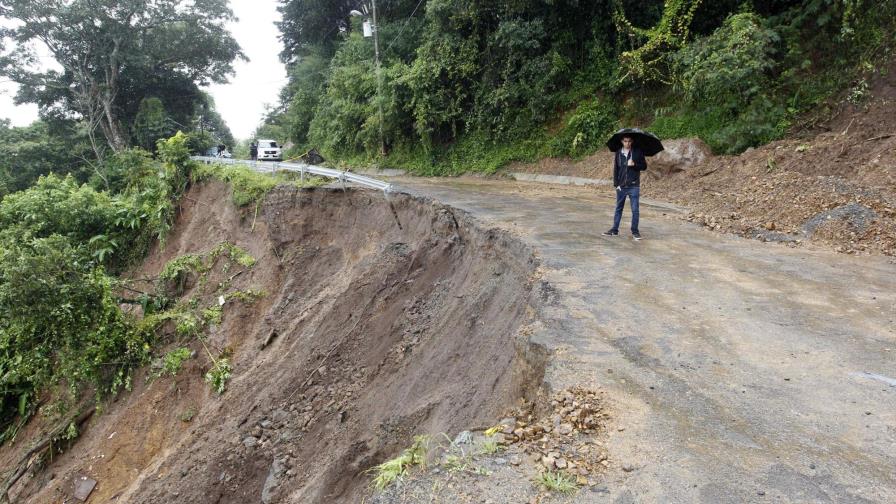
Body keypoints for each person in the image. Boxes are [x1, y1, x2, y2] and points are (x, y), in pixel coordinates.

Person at [603, 135, 647, 240]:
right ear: (622, 141)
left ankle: (635, 232)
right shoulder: (618, 153)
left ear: (632, 142)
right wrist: (616, 184)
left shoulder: (637, 152)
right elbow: (616, 169)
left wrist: (634, 164)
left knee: (635, 210)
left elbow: (644, 166)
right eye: (625, 141)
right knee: (618, 209)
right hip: (621, 186)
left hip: (634, 186)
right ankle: (614, 230)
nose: (627, 143)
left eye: (629, 141)